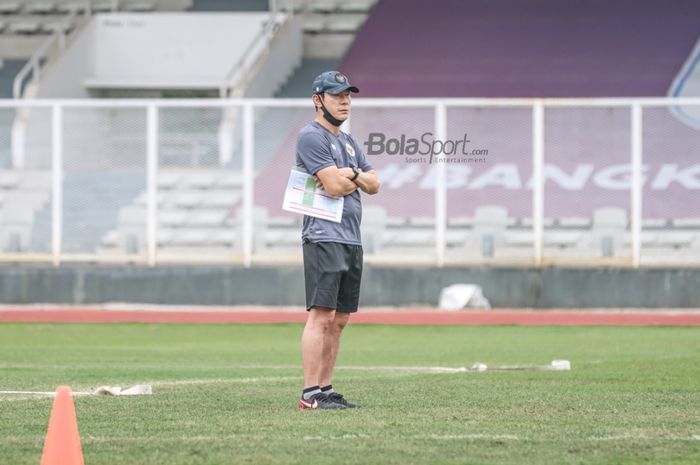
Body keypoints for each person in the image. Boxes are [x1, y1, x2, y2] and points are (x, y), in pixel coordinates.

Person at [295, 71, 380, 410]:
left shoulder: (348, 140)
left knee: (340, 318)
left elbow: (374, 184)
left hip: (350, 236)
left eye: (347, 95)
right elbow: (333, 186)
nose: (345, 101)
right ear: (318, 100)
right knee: (322, 315)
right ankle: (310, 393)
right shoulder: (311, 136)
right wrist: (351, 178)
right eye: (337, 95)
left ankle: (326, 389)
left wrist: (354, 174)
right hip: (323, 234)